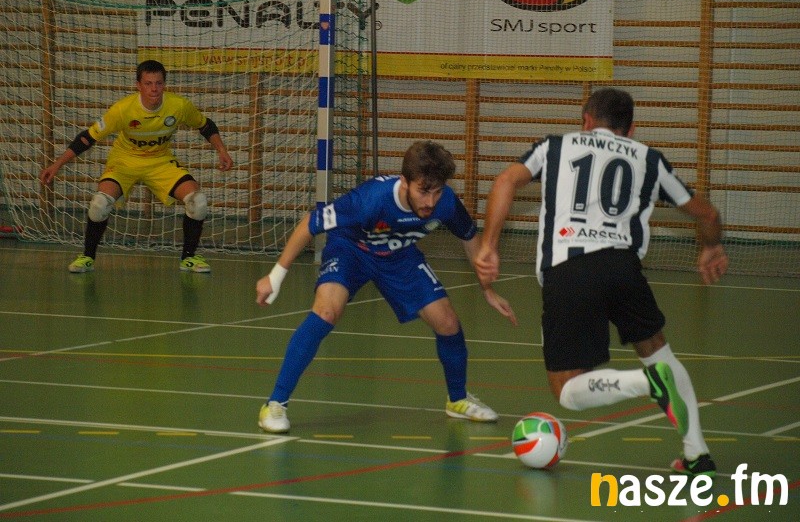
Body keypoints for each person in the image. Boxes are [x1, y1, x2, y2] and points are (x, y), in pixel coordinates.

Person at [474, 88, 729, 478]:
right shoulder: (649, 158)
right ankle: (697, 454)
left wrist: (489, 245)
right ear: (631, 129)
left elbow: (506, 181)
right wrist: (711, 247)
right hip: (623, 268)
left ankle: (644, 384)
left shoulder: (554, 147)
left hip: (569, 269)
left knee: (566, 390)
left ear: (586, 120)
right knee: (660, 354)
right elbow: (708, 214)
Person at [255, 140, 517, 433]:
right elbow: (309, 224)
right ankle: (275, 403)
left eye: (437, 191)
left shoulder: (446, 203)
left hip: (398, 255)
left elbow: (469, 239)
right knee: (326, 311)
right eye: (423, 191)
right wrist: (275, 276)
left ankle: (457, 400)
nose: (430, 201)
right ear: (404, 182)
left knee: (448, 322)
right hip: (351, 249)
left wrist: (487, 289)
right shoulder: (370, 200)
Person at [39, 59, 233, 273]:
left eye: (158, 83)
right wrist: (56, 165)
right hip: (124, 161)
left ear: (164, 84)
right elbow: (87, 138)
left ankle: (189, 258)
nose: (154, 89)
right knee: (99, 204)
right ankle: (87, 257)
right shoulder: (123, 109)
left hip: (160, 162)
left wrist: (222, 151)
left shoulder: (178, 106)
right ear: (138, 85)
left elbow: (206, 126)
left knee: (198, 201)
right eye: (148, 83)